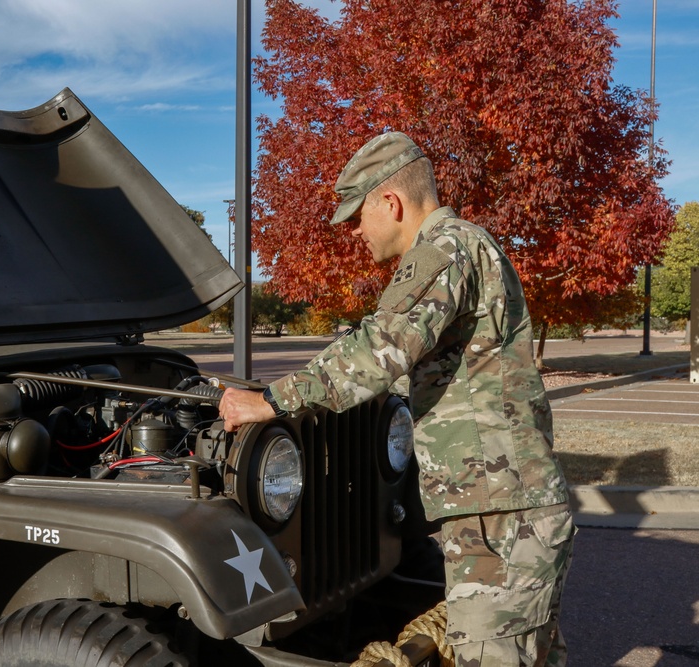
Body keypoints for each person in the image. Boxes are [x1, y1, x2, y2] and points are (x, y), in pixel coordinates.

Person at [218, 132, 575, 667]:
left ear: (392, 202)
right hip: (505, 507)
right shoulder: (469, 245)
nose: (356, 230)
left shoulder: (444, 248)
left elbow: (382, 347)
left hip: (501, 516)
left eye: (358, 215)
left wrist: (272, 400)